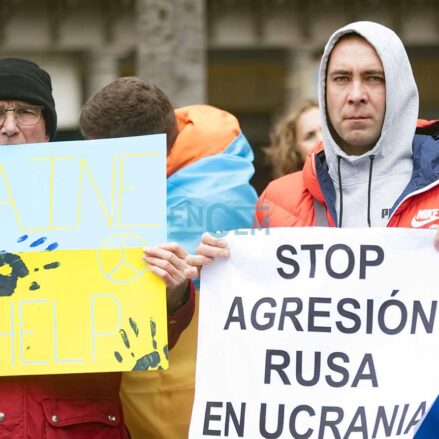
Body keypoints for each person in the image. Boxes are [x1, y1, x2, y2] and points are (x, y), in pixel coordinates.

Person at [185, 20, 439, 434]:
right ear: (324, 91)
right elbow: (255, 339)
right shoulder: (277, 199)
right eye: (342, 78)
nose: (356, 94)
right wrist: (206, 279)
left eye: (373, 78)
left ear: (400, 87)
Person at [79, 76, 258, 438]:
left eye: (102, 155)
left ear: (140, 155)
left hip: (186, 395)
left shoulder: (204, 205)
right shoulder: (215, 156)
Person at [0, 57, 133, 438]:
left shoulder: (103, 204)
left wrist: (171, 294)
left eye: (25, 112)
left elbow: (145, 333)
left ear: (46, 132)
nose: (9, 128)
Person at [264, 99, 321, 178]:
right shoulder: (284, 189)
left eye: (326, 131)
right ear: (296, 149)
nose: (321, 139)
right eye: (309, 136)